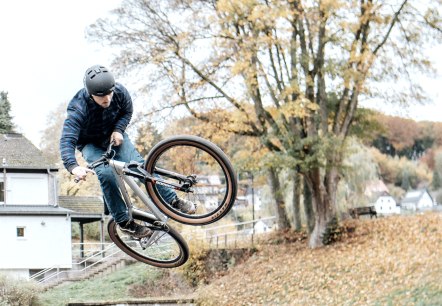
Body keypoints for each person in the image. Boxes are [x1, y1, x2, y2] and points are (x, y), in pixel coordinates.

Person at [60, 64, 196, 238]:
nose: (107, 99)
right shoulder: (78, 107)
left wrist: (118, 129)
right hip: (90, 144)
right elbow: (67, 139)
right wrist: (73, 166)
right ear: (90, 94)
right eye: (101, 97)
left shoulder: (119, 92)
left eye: (109, 93)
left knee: (138, 166)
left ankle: (172, 200)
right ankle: (124, 222)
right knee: (107, 174)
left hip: (114, 136)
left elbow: (127, 111)